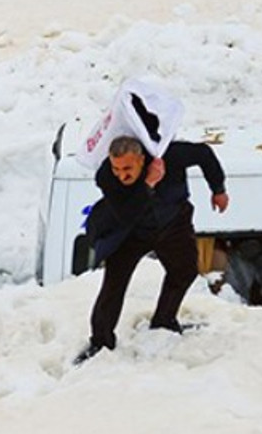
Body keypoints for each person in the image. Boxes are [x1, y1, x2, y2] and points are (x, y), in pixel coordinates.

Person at [75, 135, 229, 364]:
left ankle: (164, 320)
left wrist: (218, 189)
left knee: (184, 270)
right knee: (113, 285)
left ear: (142, 159)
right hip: (129, 230)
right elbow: (127, 213)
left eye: (127, 168)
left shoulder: (169, 155)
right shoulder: (107, 176)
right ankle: (100, 341)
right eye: (116, 168)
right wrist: (149, 182)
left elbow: (204, 153)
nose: (121, 175)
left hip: (172, 223)